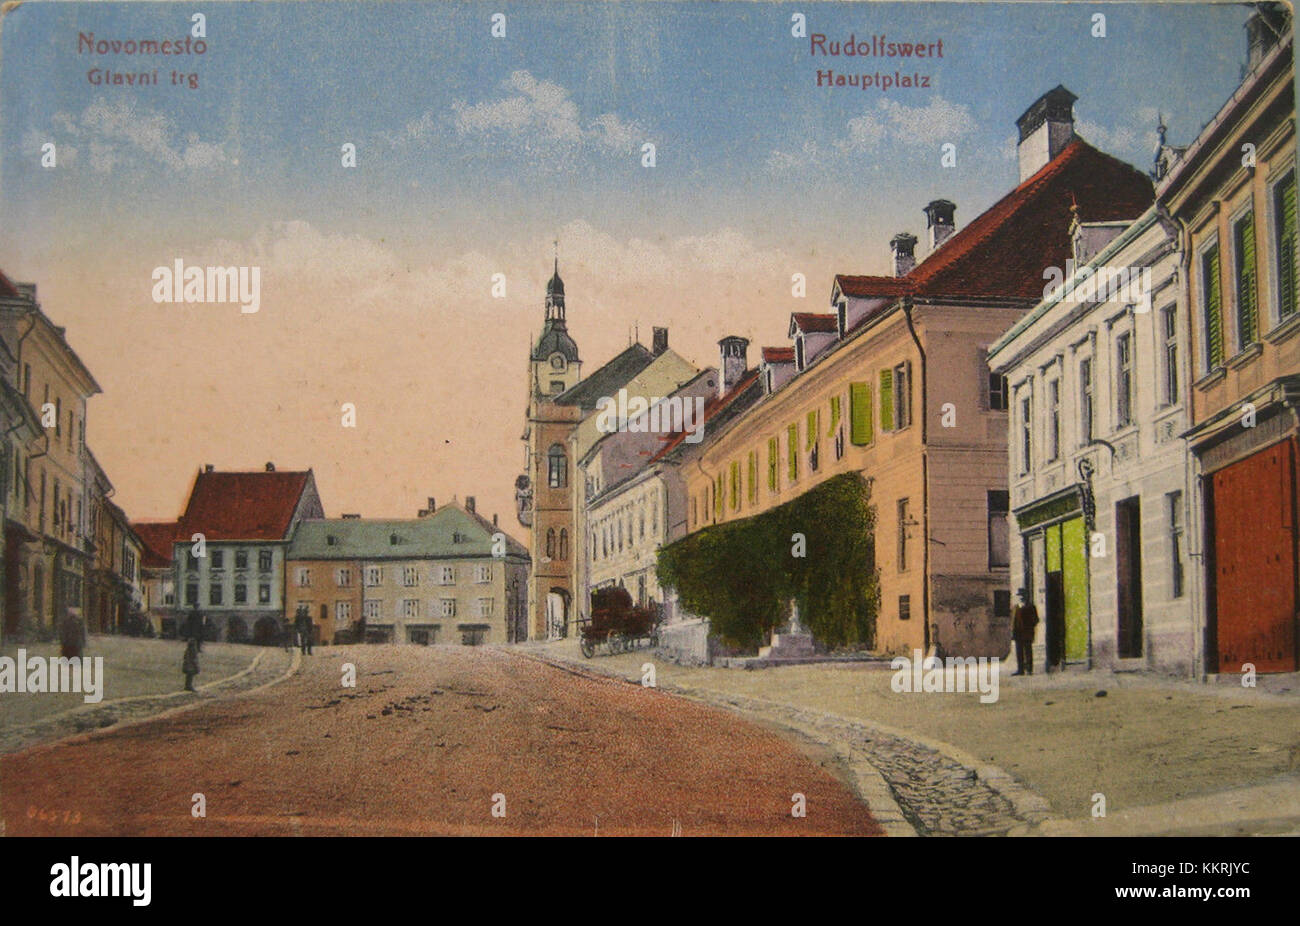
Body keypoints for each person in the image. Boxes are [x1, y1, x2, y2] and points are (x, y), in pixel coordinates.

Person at [1011, 588, 1039, 676]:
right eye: (1019, 595)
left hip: (1027, 632)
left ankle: (1029, 669)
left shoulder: (1030, 607)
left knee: (1028, 651)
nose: (1021, 597)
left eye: (1022, 595)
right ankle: (1020, 669)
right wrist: (1013, 632)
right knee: (1019, 652)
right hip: (1018, 633)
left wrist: (1030, 626)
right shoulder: (1016, 607)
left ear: (1026, 596)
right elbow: (1014, 621)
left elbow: (1036, 619)